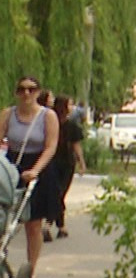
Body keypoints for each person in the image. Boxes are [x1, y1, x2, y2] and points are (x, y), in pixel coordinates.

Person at [0, 76, 60, 278]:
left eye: (31, 89)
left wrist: (35, 170)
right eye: (22, 89)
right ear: (17, 92)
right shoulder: (8, 115)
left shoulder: (47, 116)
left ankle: (31, 272)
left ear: (38, 92)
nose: (26, 94)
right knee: (5, 218)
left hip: (38, 168)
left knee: (33, 225)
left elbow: (51, 147)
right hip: (12, 167)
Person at [50, 96, 86, 240]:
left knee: (60, 194)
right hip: (51, 162)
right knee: (56, 193)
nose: (72, 107)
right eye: (70, 104)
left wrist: (81, 162)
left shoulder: (72, 126)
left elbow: (76, 145)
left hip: (67, 164)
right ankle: (56, 225)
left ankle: (56, 224)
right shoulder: (49, 122)